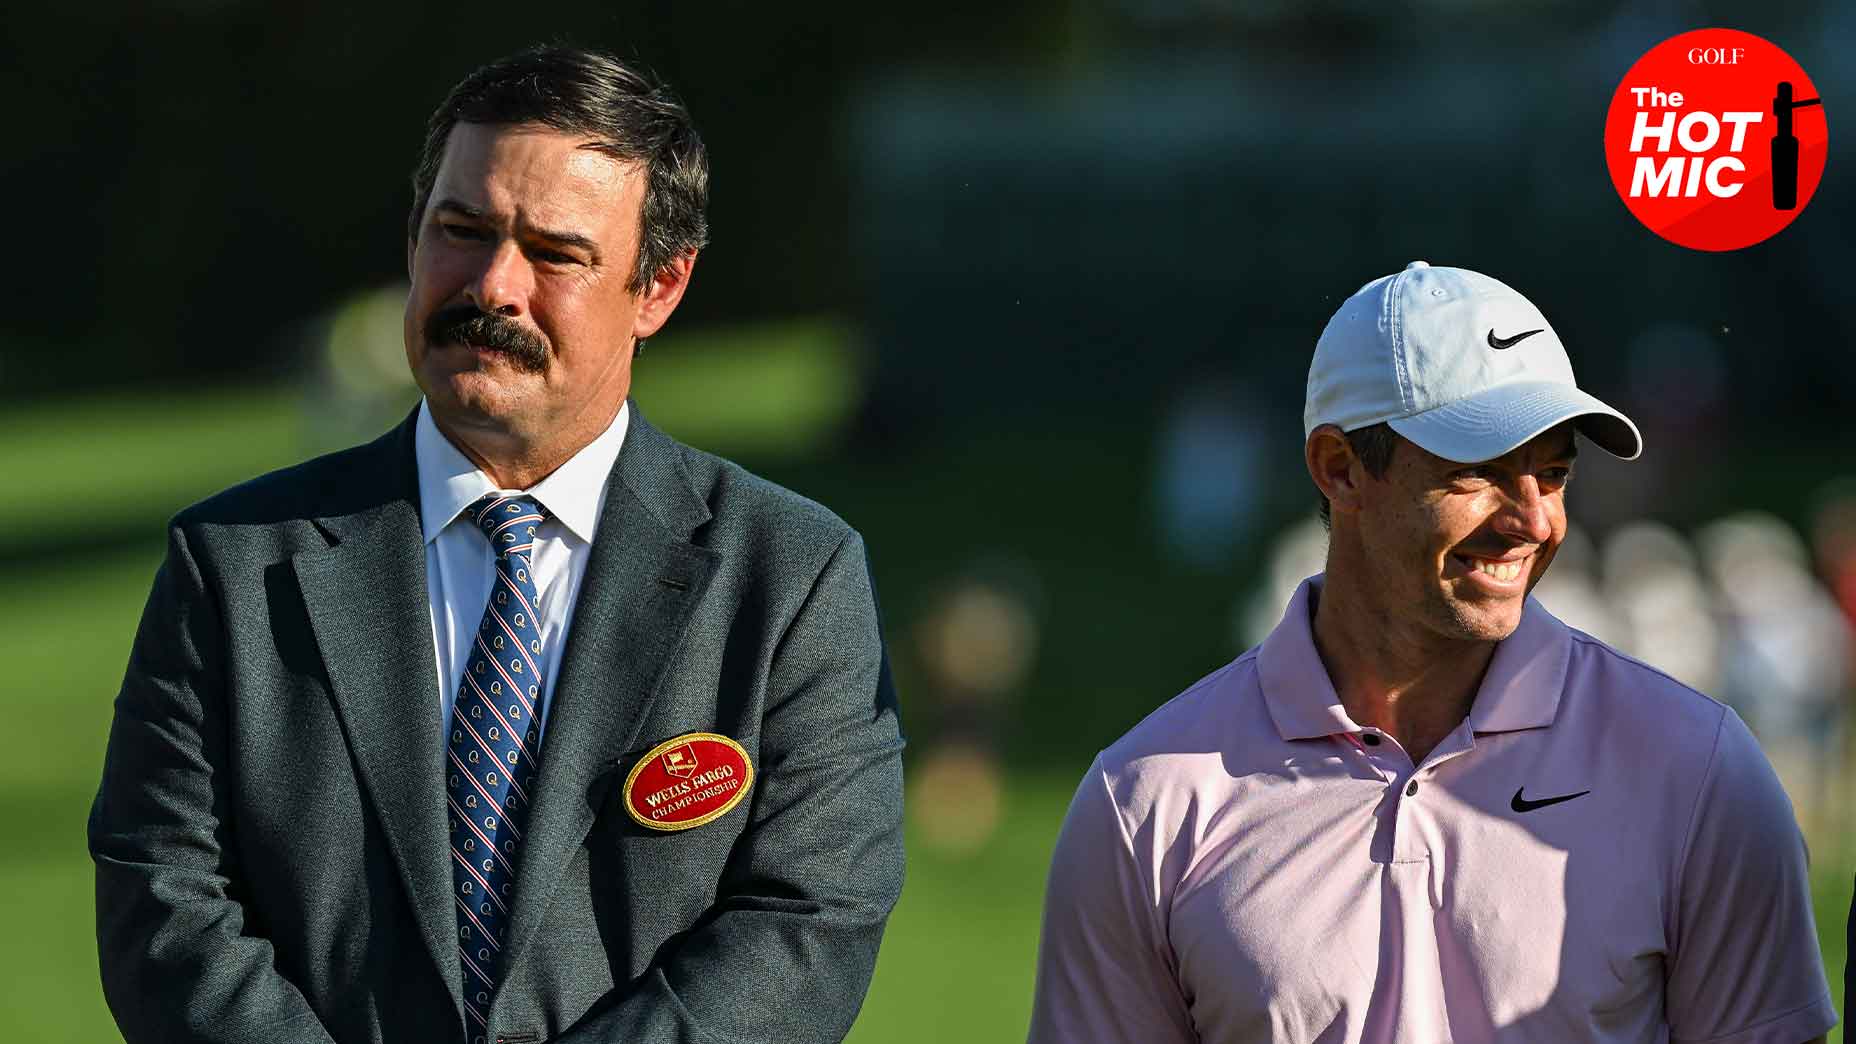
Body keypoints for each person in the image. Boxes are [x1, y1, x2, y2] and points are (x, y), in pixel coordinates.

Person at [89, 46, 904, 1044]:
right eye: (460, 232)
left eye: (554, 254)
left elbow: (805, 925)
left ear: (658, 288)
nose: (492, 286)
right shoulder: (233, 567)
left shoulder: (789, 577)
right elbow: (163, 904)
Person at [1028, 262, 1835, 1042]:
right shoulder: (1145, 801)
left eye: (1551, 474)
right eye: (1479, 471)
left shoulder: (1699, 770)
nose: (1534, 520)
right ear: (1338, 469)